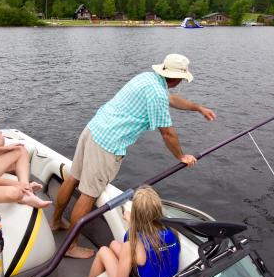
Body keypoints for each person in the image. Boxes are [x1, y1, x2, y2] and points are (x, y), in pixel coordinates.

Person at [51, 54, 216, 258]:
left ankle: (56, 221)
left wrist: (197, 108)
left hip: (93, 129)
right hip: (107, 144)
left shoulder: (148, 78)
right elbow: (168, 133)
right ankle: (70, 246)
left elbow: (170, 99)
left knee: (73, 178)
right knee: (89, 194)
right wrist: (181, 156)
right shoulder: (156, 94)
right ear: (177, 78)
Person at [87, 186, 180, 277]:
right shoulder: (173, 232)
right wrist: (131, 222)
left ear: (135, 215)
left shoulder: (132, 245)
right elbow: (146, 249)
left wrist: (132, 223)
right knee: (114, 244)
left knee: (104, 251)